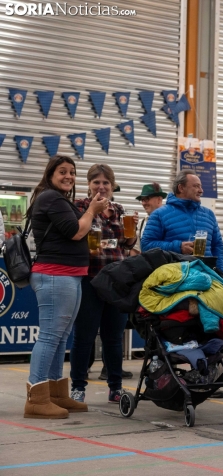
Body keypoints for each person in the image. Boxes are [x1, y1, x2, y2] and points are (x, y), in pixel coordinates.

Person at [23, 156, 108, 418]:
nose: (68, 176)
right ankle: (36, 399)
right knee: (50, 336)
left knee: (60, 338)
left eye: (72, 172)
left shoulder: (59, 200)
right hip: (55, 276)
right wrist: (92, 210)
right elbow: (75, 232)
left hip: (68, 276)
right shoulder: (50, 198)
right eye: (62, 172)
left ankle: (57, 394)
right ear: (50, 174)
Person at [71, 164, 139, 404]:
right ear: (88, 185)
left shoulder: (120, 210)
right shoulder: (80, 206)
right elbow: (76, 234)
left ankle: (115, 388)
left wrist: (133, 231)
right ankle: (77, 387)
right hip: (90, 279)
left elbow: (127, 245)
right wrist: (92, 209)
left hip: (116, 281)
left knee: (113, 337)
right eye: (96, 182)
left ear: (112, 186)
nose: (101, 187)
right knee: (84, 336)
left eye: (106, 183)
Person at [141, 170, 223, 271]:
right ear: (181, 188)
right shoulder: (159, 214)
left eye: (201, 186)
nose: (201, 190)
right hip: (175, 279)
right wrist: (178, 247)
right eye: (196, 186)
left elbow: (217, 246)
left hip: (207, 277)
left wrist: (221, 274)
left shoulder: (209, 214)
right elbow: (146, 246)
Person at [129, 182, 167, 256]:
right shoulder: (141, 224)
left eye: (147, 199)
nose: (143, 203)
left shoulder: (169, 219)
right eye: (142, 200)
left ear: (159, 200)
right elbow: (135, 251)